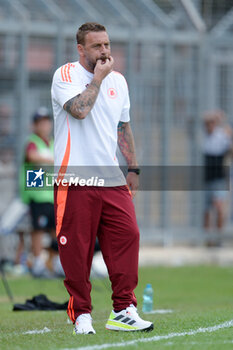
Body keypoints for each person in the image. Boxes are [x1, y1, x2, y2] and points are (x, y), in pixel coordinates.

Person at [51, 22, 153, 334]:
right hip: (75, 179)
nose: (105, 51)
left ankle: (124, 309)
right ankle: (81, 314)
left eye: (107, 45)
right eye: (97, 46)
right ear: (81, 49)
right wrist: (97, 79)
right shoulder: (65, 76)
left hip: (111, 179)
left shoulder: (119, 81)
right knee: (77, 250)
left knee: (128, 236)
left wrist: (132, 167)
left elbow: (123, 126)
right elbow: (79, 110)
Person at [20, 107, 63, 277]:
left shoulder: (52, 143)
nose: (45, 125)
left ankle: (55, 261)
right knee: (38, 229)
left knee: (55, 229)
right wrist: (51, 159)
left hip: (51, 194)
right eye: (41, 122)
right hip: (37, 194)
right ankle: (37, 262)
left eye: (46, 122)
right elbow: (31, 156)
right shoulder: (33, 142)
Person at [202, 110, 232, 246]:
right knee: (207, 210)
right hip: (207, 179)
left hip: (219, 178)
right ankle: (208, 240)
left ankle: (218, 238)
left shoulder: (221, 136)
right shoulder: (205, 137)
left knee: (219, 207)